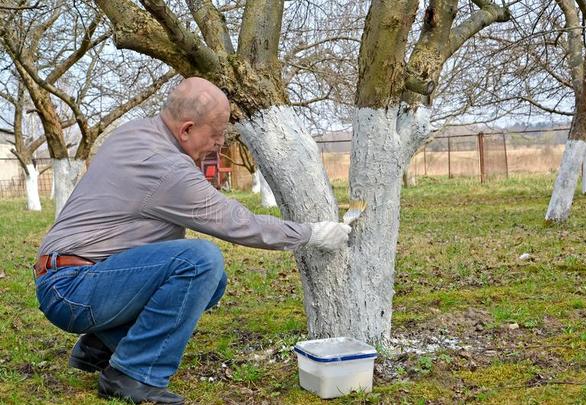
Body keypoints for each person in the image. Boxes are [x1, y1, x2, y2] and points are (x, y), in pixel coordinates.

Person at [34, 77, 351, 404]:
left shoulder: (134, 133)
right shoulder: (167, 168)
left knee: (213, 282)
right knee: (200, 261)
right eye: (215, 135)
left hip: (70, 278)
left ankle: (100, 345)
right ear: (186, 129)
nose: (219, 145)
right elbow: (237, 223)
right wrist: (312, 234)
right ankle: (132, 374)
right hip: (74, 288)